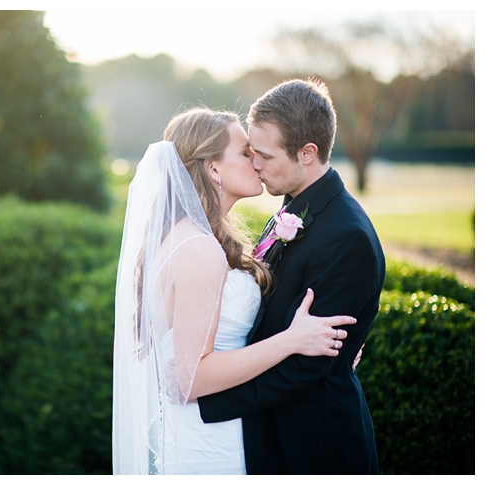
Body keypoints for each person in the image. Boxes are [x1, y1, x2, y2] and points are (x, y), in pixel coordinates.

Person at [112, 107, 357, 474]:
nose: (257, 162)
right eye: (245, 153)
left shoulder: (195, 237)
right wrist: (292, 341)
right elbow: (190, 380)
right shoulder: (198, 248)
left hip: (217, 429)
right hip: (212, 444)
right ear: (213, 167)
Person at [197, 79, 385, 474]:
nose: (254, 164)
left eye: (264, 155)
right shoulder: (292, 208)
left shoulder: (346, 236)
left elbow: (307, 364)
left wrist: (208, 397)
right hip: (271, 429)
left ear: (307, 153)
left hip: (314, 445)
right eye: (249, 153)